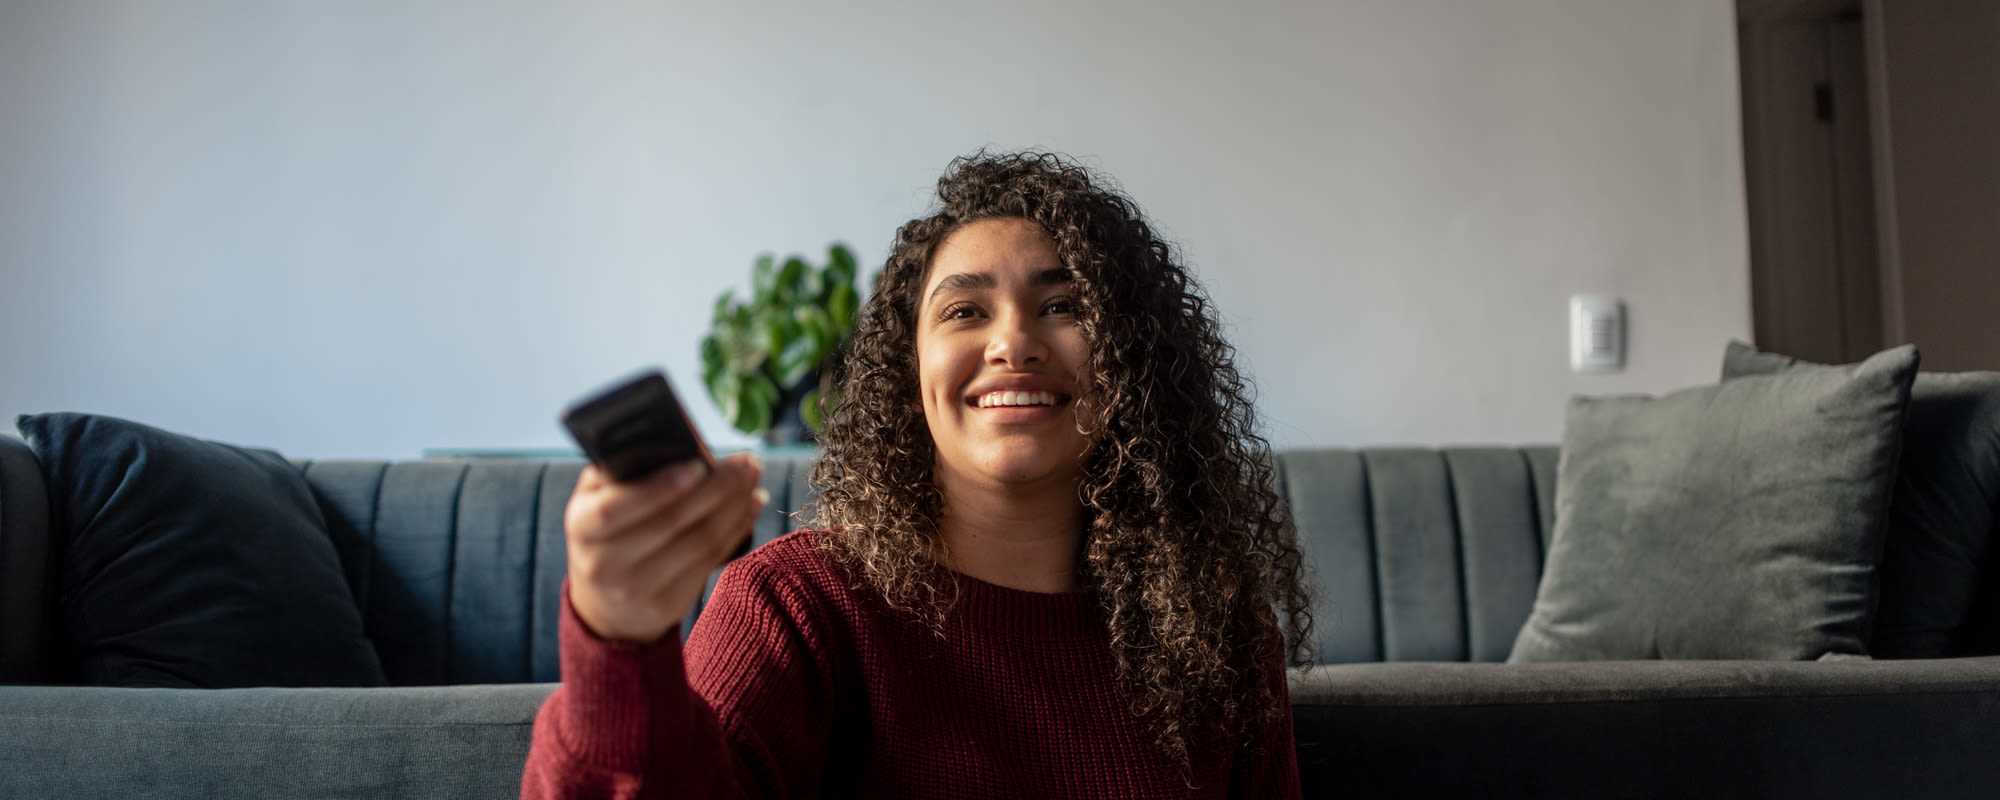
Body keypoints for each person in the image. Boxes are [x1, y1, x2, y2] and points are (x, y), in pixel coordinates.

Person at [521, 150, 1314, 798]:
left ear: (1134, 366)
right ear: (909, 375)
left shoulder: (1219, 637)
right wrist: (617, 643)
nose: (1014, 344)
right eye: (965, 311)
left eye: (1064, 306)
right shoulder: (795, 608)